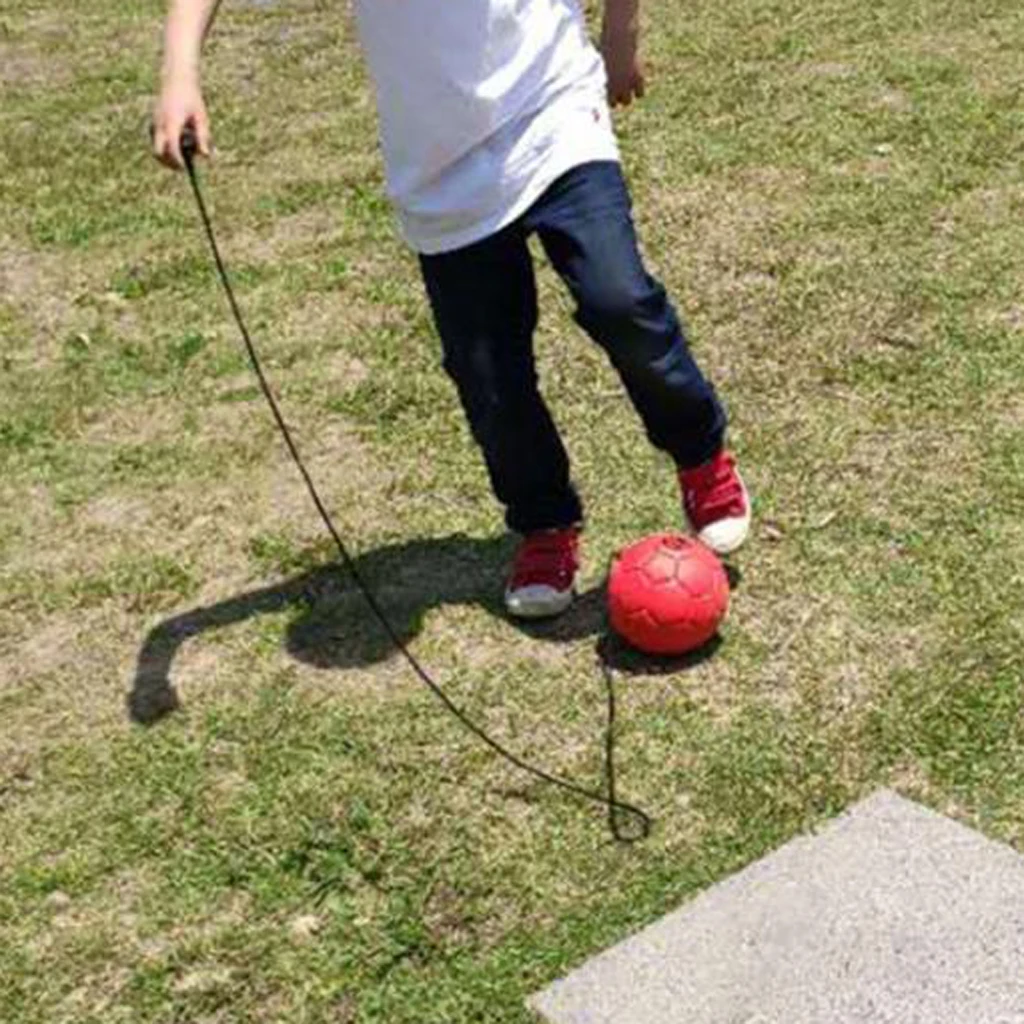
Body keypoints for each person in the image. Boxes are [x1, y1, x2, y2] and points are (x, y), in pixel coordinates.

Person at [153, 0, 751, 621]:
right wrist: (179, 76)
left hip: (551, 106)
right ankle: (544, 523)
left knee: (618, 299)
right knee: (486, 370)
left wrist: (620, 34)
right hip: (438, 165)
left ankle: (700, 456)